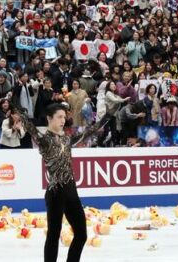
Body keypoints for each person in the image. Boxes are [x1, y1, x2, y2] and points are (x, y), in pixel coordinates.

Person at [19, 103, 113, 262]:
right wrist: (18, 110)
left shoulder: (67, 139)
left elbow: (91, 130)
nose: (63, 120)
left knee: (81, 234)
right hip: (55, 193)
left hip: (71, 191)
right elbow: (29, 127)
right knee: (53, 236)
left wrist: (109, 114)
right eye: (59, 117)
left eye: (64, 117)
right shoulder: (44, 140)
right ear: (49, 118)